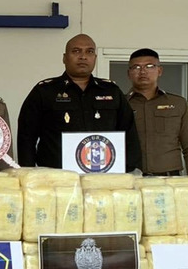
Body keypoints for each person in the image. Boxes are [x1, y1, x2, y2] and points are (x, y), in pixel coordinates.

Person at [17, 34, 141, 170]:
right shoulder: (45, 91)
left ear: (95, 58)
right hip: (56, 176)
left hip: (103, 174)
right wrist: (28, 172)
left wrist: (129, 170)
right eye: (76, 51)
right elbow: (26, 137)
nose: (83, 56)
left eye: (89, 51)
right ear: (64, 58)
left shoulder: (111, 91)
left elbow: (129, 135)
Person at [126, 48, 188, 176]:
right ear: (129, 73)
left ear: (159, 70)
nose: (143, 71)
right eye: (136, 67)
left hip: (169, 179)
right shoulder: (120, 105)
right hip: (131, 180)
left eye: (149, 66)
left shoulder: (179, 104)